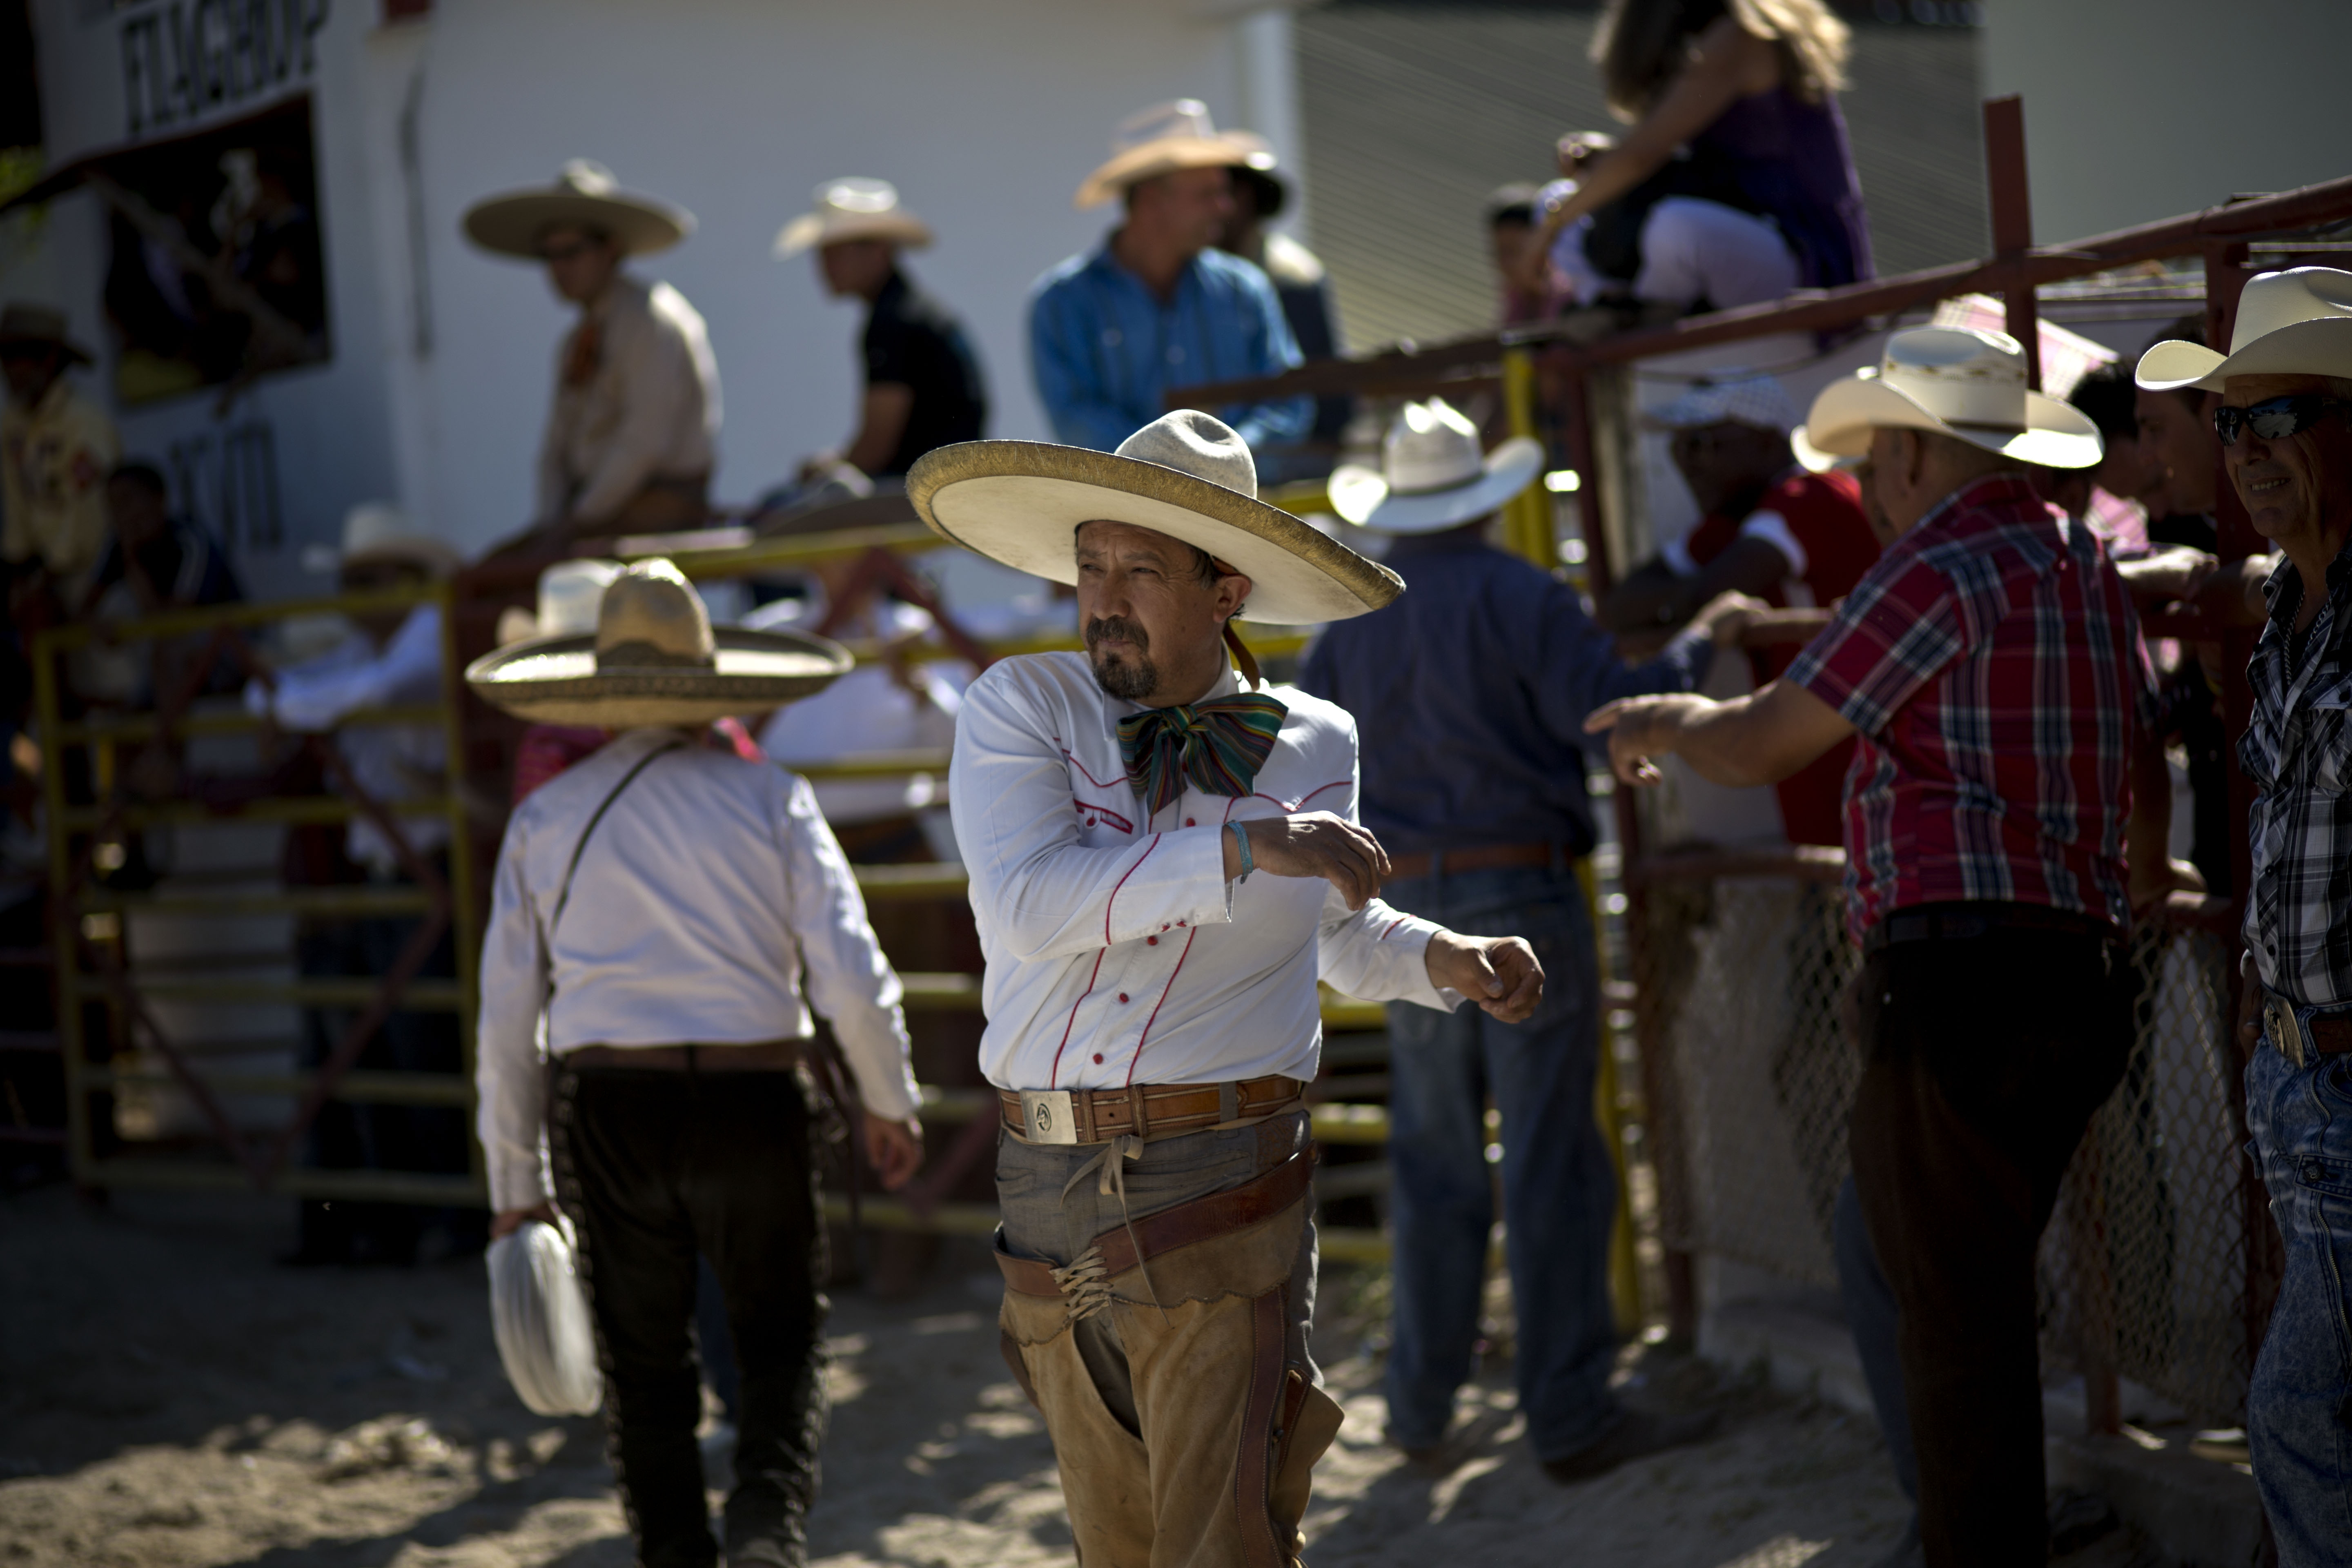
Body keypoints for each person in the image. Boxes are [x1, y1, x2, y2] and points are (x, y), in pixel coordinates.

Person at [1587, 326, 2184, 1564]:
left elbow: (1766, 739)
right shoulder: (2080, 562)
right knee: (1925, 1257)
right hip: (2074, 968)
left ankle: (1975, 1542)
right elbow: (2138, 772)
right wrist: (2138, 880)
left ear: (1911, 453)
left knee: (1957, 1321)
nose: (1866, 483)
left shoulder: (1937, 565)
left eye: (1874, 457)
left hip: (1959, 980)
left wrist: (1670, 716)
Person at [912, 409, 1543, 1563]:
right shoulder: (1023, 705)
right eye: (1091, 564)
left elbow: (1339, 938)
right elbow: (1026, 909)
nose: (1103, 595)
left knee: (1224, 1542)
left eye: (1141, 571)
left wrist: (1441, 959)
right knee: (1121, 1540)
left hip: (1223, 1168)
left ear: (1227, 592)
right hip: (1046, 1181)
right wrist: (1253, 849)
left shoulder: (1315, 741)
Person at [1302, 397, 1748, 1480]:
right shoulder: (1522, 594)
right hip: (1523, 894)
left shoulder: (1350, 624)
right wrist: (1707, 639)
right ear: (1483, 501)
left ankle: (1420, 1405)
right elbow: (1610, 711)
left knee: (1437, 1156)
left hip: (1400, 917)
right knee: (1552, 1154)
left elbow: (1305, 755)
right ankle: (1568, 1410)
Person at [472, 559, 924, 1568]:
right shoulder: (772, 796)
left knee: (644, 1364)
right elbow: (850, 971)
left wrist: (515, 1184)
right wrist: (890, 1100)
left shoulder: (546, 818)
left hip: (609, 1109)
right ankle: (765, 1528)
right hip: (754, 1097)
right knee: (779, 1343)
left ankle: (678, 1554)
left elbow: (507, 1018)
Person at [2138, 266, 2352, 1566]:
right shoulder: (2287, 607)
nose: (2251, 455)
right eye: (2232, 425)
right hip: (2299, 1067)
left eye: (2283, 419)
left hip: (2337, 1065)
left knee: (2295, 1413)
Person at [258, 503, 472, 1267]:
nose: (361, 596)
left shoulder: (422, 642)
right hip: (391, 877)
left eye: (376, 579)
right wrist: (283, 700)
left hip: (421, 875)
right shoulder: (373, 649)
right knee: (388, 1053)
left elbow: (360, 695)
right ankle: (416, 1217)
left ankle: (452, 1215)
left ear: (412, 581)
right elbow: (308, 689)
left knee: (421, 1051)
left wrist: (283, 705)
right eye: (354, 582)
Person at [1520, 0, 1871, 315]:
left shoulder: (1741, 35)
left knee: (1677, 226)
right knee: (1555, 197)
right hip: (1735, 226)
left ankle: (1645, 315)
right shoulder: (1705, 40)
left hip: (1801, 255)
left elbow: (1643, 155)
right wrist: (1602, 167)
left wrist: (1551, 227)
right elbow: (1666, 157)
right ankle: (1607, 303)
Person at [1029, 100, 1309, 454]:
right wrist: (1191, 466)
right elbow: (1076, 418)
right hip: (1126, 509)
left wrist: (1223, 462)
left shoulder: (1245, 290)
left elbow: (1289, 403)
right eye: (1208, 194)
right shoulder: (1063, 303)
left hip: (1239, 502)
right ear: (1151, 201)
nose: (1225, 208)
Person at [463, 162, 720, 541]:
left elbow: (643, 442)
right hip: (593, 513)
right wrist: (552, 522)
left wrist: (579, 521)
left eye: (571, 253)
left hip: (654, 509)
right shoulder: (575, 343)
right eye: (548, 257)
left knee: (511, 583)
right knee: (484, 579)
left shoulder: (650, 321)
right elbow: (555, 448)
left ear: (610, 249)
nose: (558, 270)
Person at [776, 178, 987, 483]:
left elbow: (876, 448)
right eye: (823, 252)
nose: (824, 265)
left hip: (919, 494)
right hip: (945, 485)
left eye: (836, 251)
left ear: (879, 250)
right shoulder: (912, 310)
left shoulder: (893, 323)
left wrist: (827, 470)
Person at [1217, 160, 1349, 469]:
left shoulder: (1291, 279)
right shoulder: (1207, 279)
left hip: (1287, 455)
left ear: (1246, 199)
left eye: (1222, 193)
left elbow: (1316, 396)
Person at [3, 303, 121, 609]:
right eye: (6, 358)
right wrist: (19, 569)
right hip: (44, 575)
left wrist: (50, 572)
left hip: (95, 573)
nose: (11, 370)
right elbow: (16, 502)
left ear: (50, 360)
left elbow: (84, 505)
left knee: (101, 652)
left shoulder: (85, 422)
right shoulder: (11, 425)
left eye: (21, 357)